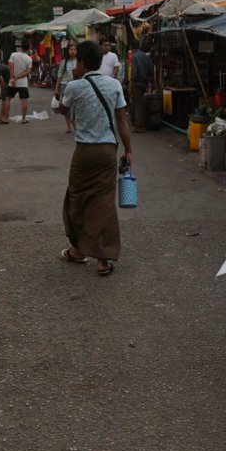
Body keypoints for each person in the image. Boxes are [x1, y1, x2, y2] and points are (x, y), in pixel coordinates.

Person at [55, 39, 132, 276]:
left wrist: (59, 101)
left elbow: (63, 110)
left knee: (77, 198)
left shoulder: (75, 87)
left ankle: (78, 250)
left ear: (82, 63)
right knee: (104, 202)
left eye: (76, 61)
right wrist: (128, 151)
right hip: (107, 151)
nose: (74, 66)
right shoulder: (114, 85)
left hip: (84, 153)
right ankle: (102, 259)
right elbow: (121, 121)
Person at [1, 41, 33, 124]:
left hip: (13, 81)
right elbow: (28, 71)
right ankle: (23, 119)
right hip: (23, 82)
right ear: (28, 48)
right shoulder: (29, 59)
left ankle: (6, 119)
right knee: (24, 99)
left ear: (21, 46)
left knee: (8, 98)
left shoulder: (13, 55)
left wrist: (12, 78)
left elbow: (10, 66)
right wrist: (19, 77)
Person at [55, 43, 77, 134]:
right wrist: (56, 88)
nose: (72, 51)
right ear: (68, 51)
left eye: (74, 49)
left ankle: (74, 120)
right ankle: (68, 126)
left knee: (76, 105)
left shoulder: (79, 61)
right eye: (71, 49)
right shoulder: (64, 62)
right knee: (66, 106)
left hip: (76, 85)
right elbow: (59, 76)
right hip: (65, 86)